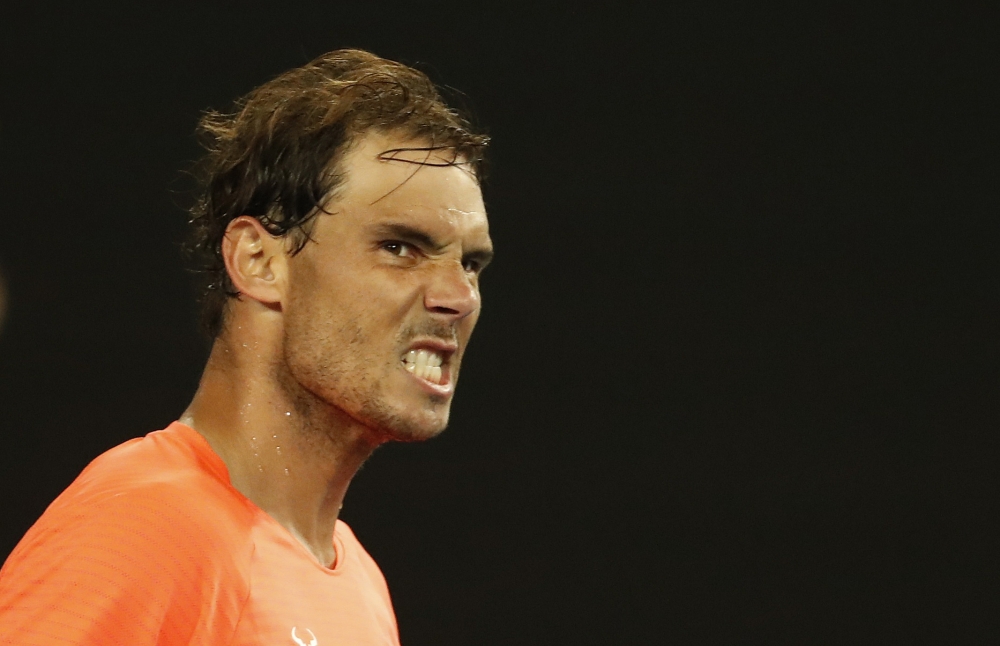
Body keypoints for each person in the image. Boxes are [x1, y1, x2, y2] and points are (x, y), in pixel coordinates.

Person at [0, 49, 493, 645]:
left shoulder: (360, 584)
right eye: (399, 247)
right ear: (259, 261)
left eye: (470, 263)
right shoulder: (145, 527)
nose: (457, 296)